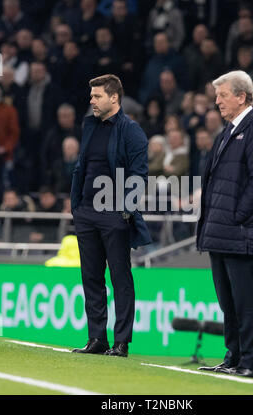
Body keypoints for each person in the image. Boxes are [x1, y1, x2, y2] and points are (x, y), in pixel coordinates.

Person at [196, 70, 253, 379]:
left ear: (242, 96)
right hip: (220, 230)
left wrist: (237, 216)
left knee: (245, 302)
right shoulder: (229, 131)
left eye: (222, 95)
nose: (216, 101)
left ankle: (251, 362)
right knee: (228, 303)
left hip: (239, 230)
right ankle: (233, 357)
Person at [71, 74, 151, 357]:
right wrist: (77, 207)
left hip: (114, 215)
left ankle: (121, 341)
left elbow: (139, 175)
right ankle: (97, 339)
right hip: (87, 213)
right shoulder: (90, 125)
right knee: (91, 277)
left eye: (97, 96)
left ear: (114, 97)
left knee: (120, 277)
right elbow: (82, 166)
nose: (91, 101)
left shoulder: (131, 131)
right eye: (91, 96)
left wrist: (125, 212)